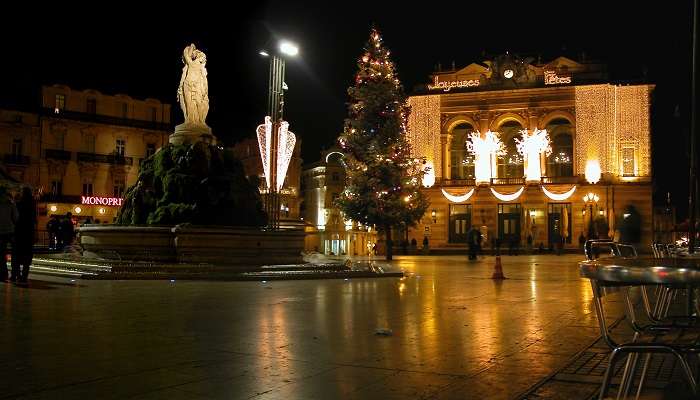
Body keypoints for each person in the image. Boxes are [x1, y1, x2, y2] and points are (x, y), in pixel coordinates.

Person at [11, 187, 36, 283]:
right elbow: (34, 220)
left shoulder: (18, 204)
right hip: (29, 232)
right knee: (27, 256)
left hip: (19, 232)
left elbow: (15, 218)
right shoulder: (33, 204)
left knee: (16, 255)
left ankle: (16, 275)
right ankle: (24, 276)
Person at [0, 187, 18, 281]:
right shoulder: (11, 204)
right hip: (10, 231)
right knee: (14, 252)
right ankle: (14, 273)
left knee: (1, 254)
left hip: (0, 232)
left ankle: (3, 274)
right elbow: (16, 218)